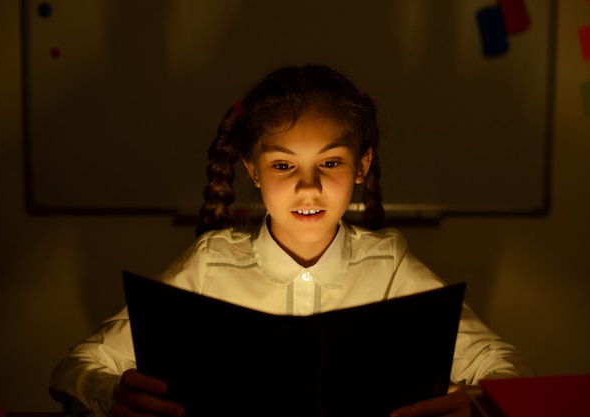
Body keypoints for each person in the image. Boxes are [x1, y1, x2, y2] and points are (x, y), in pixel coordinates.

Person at [49, 65, 534, 417]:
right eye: (284, 165)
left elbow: (507, 369)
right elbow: (77, 366)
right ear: (252, 170)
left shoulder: (388, 266)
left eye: (330, 162)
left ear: (362, 166)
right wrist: (111, 395)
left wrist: (471, 405)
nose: (308, 187)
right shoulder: (209, 267)